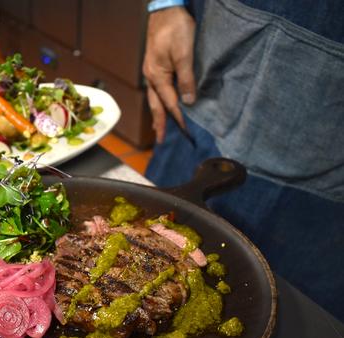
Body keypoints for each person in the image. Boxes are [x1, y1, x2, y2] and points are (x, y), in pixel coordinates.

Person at [142, 0, 344, 320]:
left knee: (301, 329)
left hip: (323, 190)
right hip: (202, 91)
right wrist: (166, 5)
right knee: (140, 229)